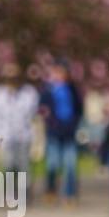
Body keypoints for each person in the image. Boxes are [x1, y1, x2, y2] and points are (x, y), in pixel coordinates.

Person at [0, 63, 40, 196]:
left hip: (24, 136)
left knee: (23, 167)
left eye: (14, 77)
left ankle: (23, 194)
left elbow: (35, 117)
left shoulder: (29, 93)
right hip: (3, 136)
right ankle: (10, 193)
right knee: (8, 165)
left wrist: (38, 139)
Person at [38, 60, 83, 204]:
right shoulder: (48, 90)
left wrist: (74, 123)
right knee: (52, 164)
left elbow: (79, 108)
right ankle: (50, 190)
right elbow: (42, 110)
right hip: (54, 133)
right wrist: (50, 123)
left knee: (70, 165)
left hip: (69, 133)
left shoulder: (72, 89)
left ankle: (70, 194)